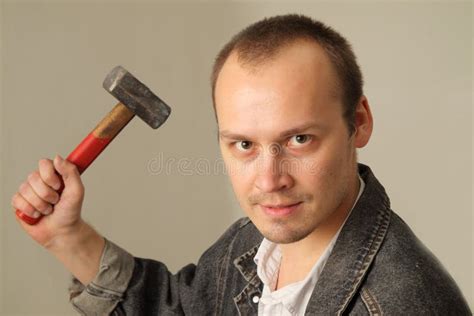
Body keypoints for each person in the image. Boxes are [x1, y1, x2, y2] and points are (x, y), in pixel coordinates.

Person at [12, 14, 470, 315]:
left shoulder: (406, 303)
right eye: (244, 144)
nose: (270, 180)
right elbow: (177, 308)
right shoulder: (254, 243)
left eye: (299, 139)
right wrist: (67, 236)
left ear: (360, 124)